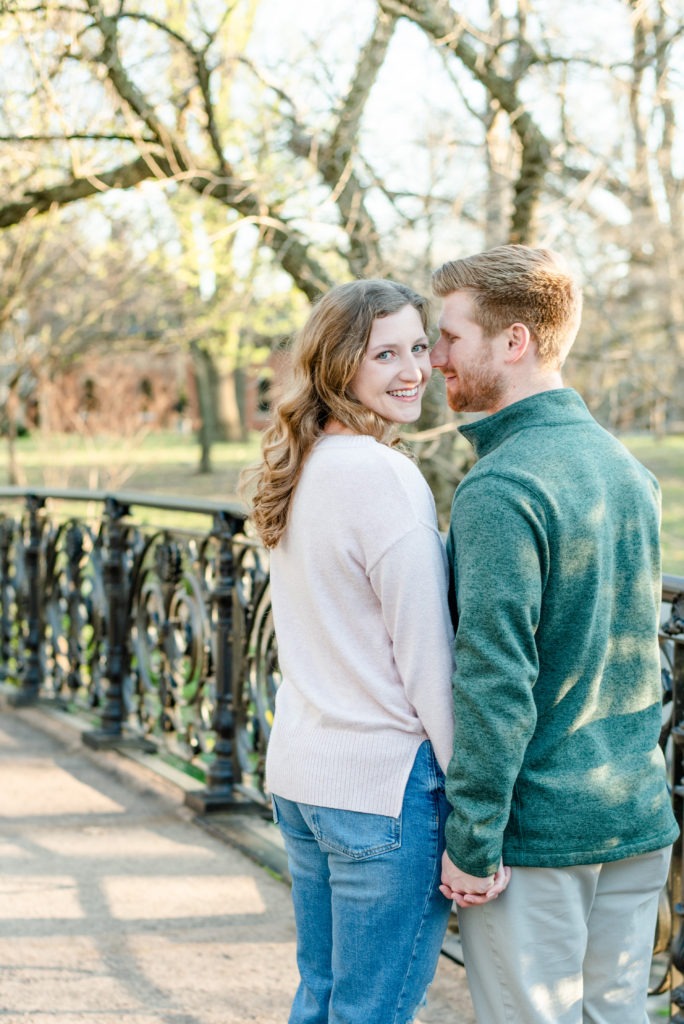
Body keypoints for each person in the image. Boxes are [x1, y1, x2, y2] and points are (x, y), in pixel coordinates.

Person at [243, 279, 506, 1024]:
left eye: (420, 348)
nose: (413, 370)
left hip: (302, 776)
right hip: (382, 790)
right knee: (372, 1012)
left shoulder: (298, 467)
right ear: (338, 366)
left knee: (324, 998)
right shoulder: (384, 477)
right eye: (384, 353)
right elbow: (427, 661)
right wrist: (474, 807)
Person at [429, 243, 679, 1024]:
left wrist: (471, 840)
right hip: (634, 814)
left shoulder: (502, 489)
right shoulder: (626, 470)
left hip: (541, 836)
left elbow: (495, 680)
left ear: (515, 342)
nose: (435, 358)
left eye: (450, 336)